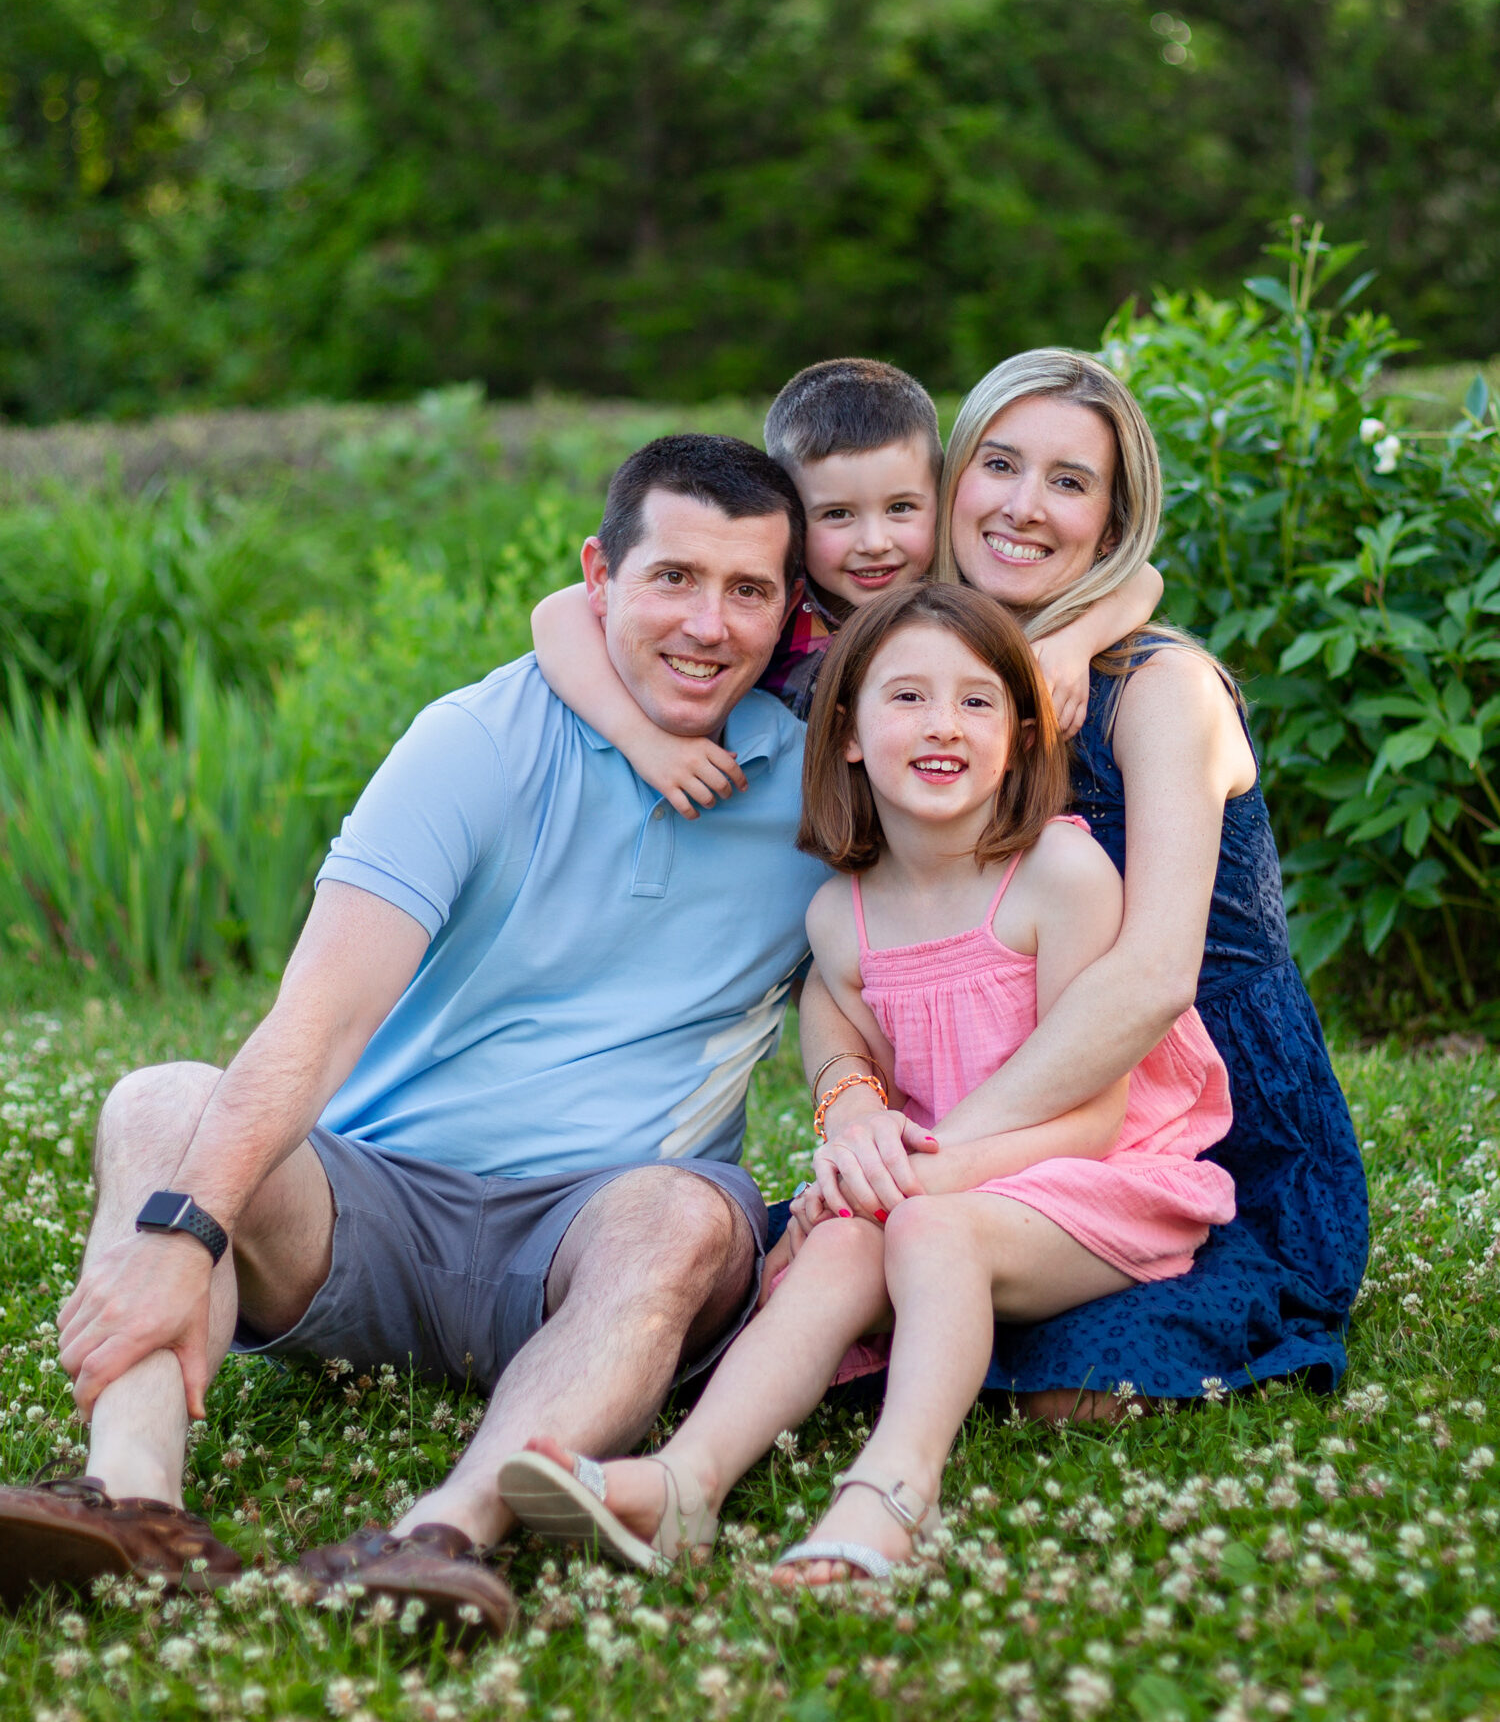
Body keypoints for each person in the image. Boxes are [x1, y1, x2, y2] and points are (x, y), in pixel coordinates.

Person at [0, 435, 830, 1633]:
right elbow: (320, 1020)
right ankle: (134, 1505)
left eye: (748, 590)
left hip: (595, 1238)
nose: (709, 623)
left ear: (788, 609)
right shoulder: (477, 739)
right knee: (156, 1099)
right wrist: (186, 1228)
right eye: (674, 579)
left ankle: (445, 1530)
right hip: (368, 1210)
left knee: (691, 1212)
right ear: (599, 575)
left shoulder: (822, 788)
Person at [494, 583, 1234, 1581]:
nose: (943, 725)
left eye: (977, 702)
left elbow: (1096, 1109)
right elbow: (846, 1065)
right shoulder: (843, 919)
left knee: (917, 1223)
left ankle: (891, 1489)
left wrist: (918, 1180)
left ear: (1020, 737)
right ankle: (686, 1479)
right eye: (908, 698)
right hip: (942, 1187)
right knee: (844, 1241)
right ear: (844, 732)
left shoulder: (1059, 873)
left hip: (1104, 1178)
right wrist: (859, 1148)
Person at [797, 350, 1369, 1413]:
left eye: (1070, 482)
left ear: (1111, 526)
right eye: (1000, 464)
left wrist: (936, 1153)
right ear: (954, 480)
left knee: (1067, 1383)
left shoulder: (1160, 690)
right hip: (1009, 1109)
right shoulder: (929, 679)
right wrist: (853, 1108)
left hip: (1199, 1120)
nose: (1023, 505)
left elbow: (1153, 979)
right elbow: (851, 957)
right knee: (826, 1298)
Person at [530, 359, 1164, 806]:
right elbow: (560, 614)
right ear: (792, 520)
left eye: (901, 509)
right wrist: (645, 743)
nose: (874, 542)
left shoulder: (950, 606)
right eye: (836, 515)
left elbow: (1140, 578)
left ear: (942, 496)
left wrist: (1076, 642)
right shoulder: (776, 601)